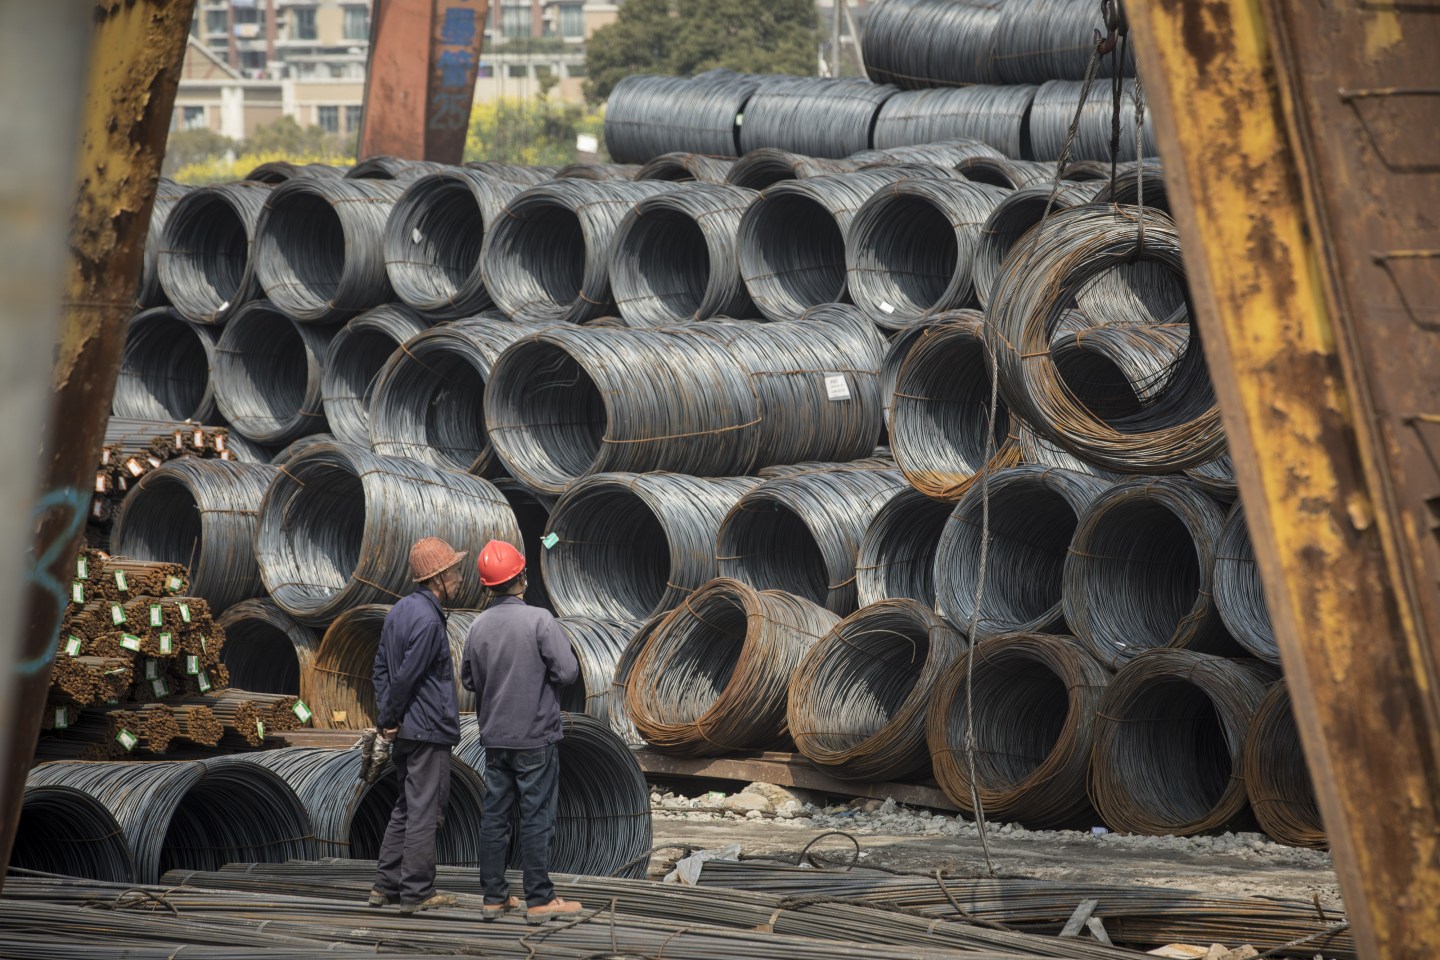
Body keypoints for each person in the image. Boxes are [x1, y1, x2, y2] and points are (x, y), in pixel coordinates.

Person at [461, 539, 583, 925]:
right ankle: (540, 900)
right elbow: (567, 672)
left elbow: (468, 679)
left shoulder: (477, 626)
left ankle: (494, 898)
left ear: (487, 586)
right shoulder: (540, 620)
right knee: (536, 816)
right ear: (522, 578)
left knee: (495, 815)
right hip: (535, 736)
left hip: (495, 738)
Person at [369, 536, 465, 915]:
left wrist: (389, 721)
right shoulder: (428, 620)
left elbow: (381, 669)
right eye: (455, 571)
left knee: (406, 807)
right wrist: (389, 719)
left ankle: (385, 886)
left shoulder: (399, 611)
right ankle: (417, 892)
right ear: (438, 578)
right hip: (426, 731)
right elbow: (407, 677)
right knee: (426, 810)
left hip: (408, 731)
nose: (460, 576)